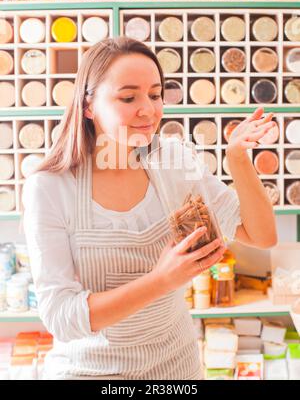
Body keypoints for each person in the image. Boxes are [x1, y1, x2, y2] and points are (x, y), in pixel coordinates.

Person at [22, 37, 277, 380]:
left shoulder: (173, 160)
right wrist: (160, 281)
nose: (149, 110)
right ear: (88, 106)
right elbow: (61, 317)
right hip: (91, 371)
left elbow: (262, 236)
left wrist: (238, 158)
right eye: (128, 97)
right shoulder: (50, 187)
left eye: (155, 95)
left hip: (176, 365)